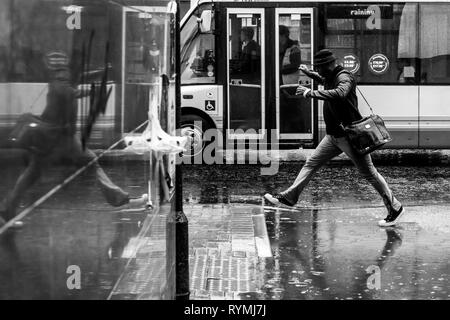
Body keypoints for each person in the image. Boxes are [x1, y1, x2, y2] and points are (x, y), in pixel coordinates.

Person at [0, 51, 147, 228]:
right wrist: (91, 90)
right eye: (63, 71)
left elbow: (80, 79)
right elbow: (70, 92)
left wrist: (102, 72)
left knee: (32, 174)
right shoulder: (59, 85)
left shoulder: (59, 80)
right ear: (59, 72)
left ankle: (7, 211)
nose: (66, 74)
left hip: (53, 138)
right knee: (91, 160)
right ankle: (123, 200)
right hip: (61, 139)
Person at [264, 49, 404, 227]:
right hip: (333, 137)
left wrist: (310, 93)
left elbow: (340, 93)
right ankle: (289, 198)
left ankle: (395, 207)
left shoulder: (344, 77)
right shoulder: (330, 76)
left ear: (330, 65)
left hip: (349, 137)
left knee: (370, 174)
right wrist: (310, 73)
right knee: (311, 163)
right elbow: (324, 80)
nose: (320, 71)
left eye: (320, 68)